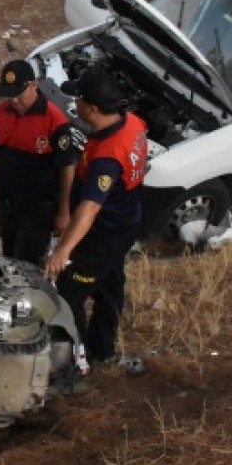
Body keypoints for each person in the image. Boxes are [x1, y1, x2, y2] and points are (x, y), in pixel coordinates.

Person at [45, 69, 148, 368]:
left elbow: (90, 208)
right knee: (111, 290)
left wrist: (63, 251)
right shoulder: (131, 123)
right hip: (125, 223)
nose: (74, 102)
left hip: (103, 236)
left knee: (68, 296)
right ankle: (103, 349)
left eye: (78, 98)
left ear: (91, 108)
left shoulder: (107, 158)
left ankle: (78, 361)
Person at [0, 60, 81, 263]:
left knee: (27, 264)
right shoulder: (1, 113)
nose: (14, 101)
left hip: (37, 210)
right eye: (10, 95)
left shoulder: (55, 120)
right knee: (8, 259)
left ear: (34, 85)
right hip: (7, 205)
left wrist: (64, 212)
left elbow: (66, 169)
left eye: (19, 94)